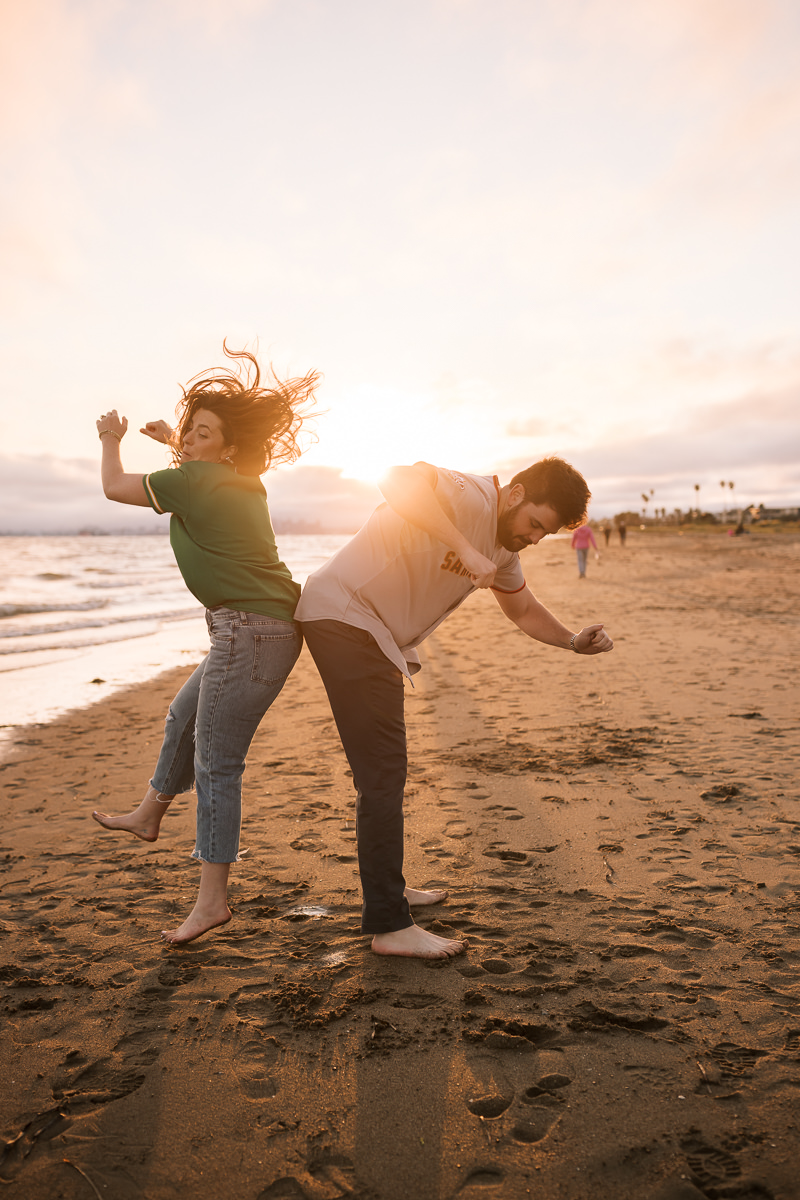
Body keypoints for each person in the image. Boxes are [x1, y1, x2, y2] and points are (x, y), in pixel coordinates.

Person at [296, 457, 614, 960]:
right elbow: (395, 478)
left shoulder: (504, 551)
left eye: (544, 534)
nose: (533, 538)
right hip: (345, 615)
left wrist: (574, 641)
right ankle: (387, 924)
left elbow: (524, 610)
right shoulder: (469, 496)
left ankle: (390, 894)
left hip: (373, 633)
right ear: (514, 494)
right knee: (382, 774)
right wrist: (464, 546)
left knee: (385, 773)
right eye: (534, 524)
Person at [91, 344, 319, 944]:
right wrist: (179, 442)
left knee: (218, 764)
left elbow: (115, 487)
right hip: (265, 630)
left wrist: (111, 437)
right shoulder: (247, 481)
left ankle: (212, 901)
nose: (189, 439)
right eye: (188, 431)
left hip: (245, 631)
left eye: (201, 432)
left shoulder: (192, 479)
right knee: (182, 718)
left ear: (226, 447)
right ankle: (149, 814)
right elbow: (202, 470)